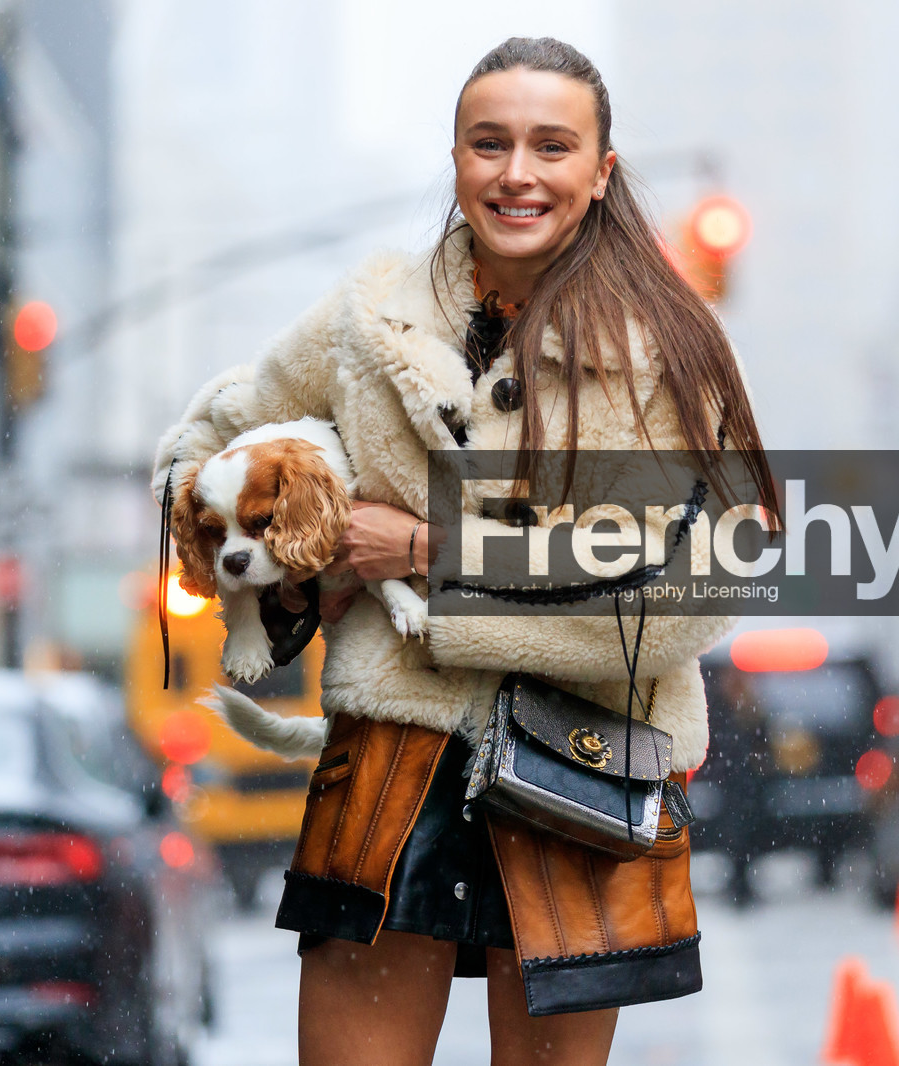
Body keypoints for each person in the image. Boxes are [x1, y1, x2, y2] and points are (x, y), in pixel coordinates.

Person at [153, 36, 776, 1066]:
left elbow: (684, 594)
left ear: (601, 169)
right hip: (388, 772)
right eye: (489, 143)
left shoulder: (667, 347)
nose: (516, 173)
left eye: (550, 145)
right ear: (454, 159)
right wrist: (296, 547)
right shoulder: (366, 318)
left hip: (582, 771)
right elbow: (205, 449)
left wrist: (431, 556)